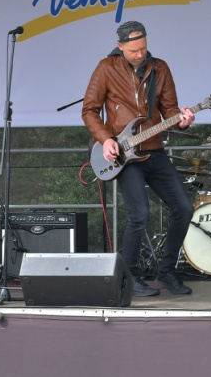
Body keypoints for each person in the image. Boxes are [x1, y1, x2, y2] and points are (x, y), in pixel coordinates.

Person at [82, 21, 196, 297]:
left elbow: (170, 109)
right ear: (120, 46)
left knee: (184, 208)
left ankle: (166, 272)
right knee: (140, 214)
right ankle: (130, 276)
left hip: (153, 150)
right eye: (133, 50)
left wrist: (183, 121)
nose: (140, 54)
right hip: (124, 154)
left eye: (143, 48)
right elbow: (89, 110)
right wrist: (106, 139)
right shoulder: (106, 67)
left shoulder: (160, 68)